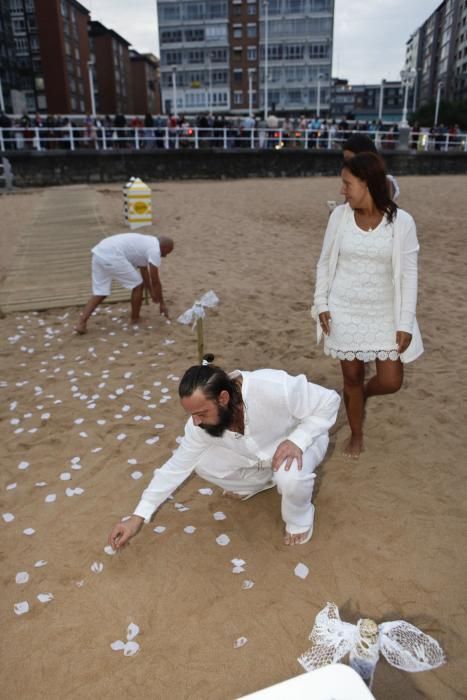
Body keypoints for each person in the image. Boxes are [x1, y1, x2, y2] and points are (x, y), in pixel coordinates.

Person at [108, 362, 340, 549]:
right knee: (201, 462)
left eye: (201, 413)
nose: (196, 421)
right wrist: (138, 516)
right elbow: (176, 467)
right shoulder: (198, 424)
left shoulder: (272, 385)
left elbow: (330, 401)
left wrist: (297, 440)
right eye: (192, 414)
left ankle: (300, 517)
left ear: (223, 399)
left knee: (290, 476)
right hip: (257, 457)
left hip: (302, 443)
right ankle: (258, 484)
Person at [313, 152, 423, 459]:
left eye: (347, 184)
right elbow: (324, 263)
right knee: (351, 378)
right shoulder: (339, 217)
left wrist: (405, 322)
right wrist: (321, 302)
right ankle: (356, 433)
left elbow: (409, 274)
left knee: (391, 380)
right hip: (343, 309)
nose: (342, 191)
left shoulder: (402, 223)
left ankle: (359, 396)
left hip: (384, 312)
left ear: (367, 183)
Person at [74, 233, 174, 334]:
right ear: (163, 247)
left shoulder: (147, 242)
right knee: (138, 286)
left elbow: (144, 271)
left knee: (100, 292)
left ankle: (81, 323)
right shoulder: (155, 250)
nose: (164, 256)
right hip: (113, 255)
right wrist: (162, 303)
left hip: (99, 253)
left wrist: (151, 291)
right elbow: (155, 280)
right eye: (166, 253)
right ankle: (135, 318)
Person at [342, 133, 400, 200]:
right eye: (345, 161)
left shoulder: (385, 181)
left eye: (349, 159)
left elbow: (383, 203)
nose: (347, 164)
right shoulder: (355, 179)